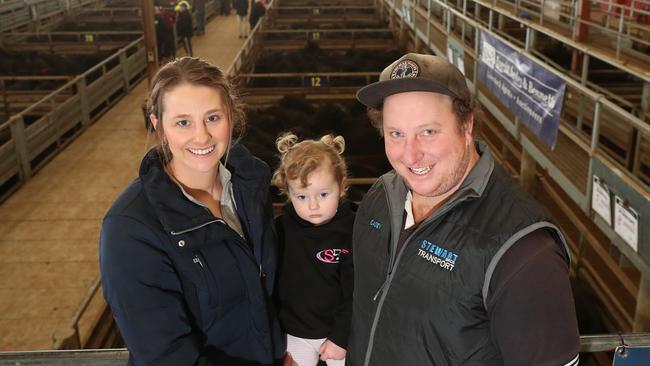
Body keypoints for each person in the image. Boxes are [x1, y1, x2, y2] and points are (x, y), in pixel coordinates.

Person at [347, 53, 580, 366]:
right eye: (396, 134)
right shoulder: (380, 198)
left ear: (466, 125)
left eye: (428, 132)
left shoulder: (522, 249)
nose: (411, 154)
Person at [99, 57, 284, 365]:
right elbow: (166, 355)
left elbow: (267, 294)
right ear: (159, 127)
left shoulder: (250, 186)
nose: (201, 136)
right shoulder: (130, 229)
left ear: (231, 115)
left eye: (213, 118)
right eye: (183, 122)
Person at [272, 133, 354, 366]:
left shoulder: (353, 231)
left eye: (323, 194)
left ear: (342, 187)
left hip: (341, 333)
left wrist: (342, 337)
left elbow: (357, 291)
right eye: (301, 196)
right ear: (288, 193)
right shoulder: (280, 230)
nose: (313, 205)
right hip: (295, 333)